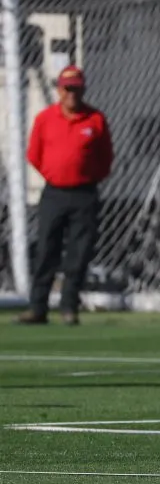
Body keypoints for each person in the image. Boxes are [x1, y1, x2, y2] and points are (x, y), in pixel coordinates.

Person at [14, 65, 113, 326]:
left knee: (78, 254)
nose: (72, 94)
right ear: (59, 90)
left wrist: (87, 176)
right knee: (46, 249)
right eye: (68, 89)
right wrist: (54, 173)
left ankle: (69, 307)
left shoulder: (95, 119)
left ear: (83, 90)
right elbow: (34, 154)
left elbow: (106, 158)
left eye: (76, 89)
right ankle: (37, 308)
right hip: (54, 193)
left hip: (84, 194)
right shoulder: (45, 119)